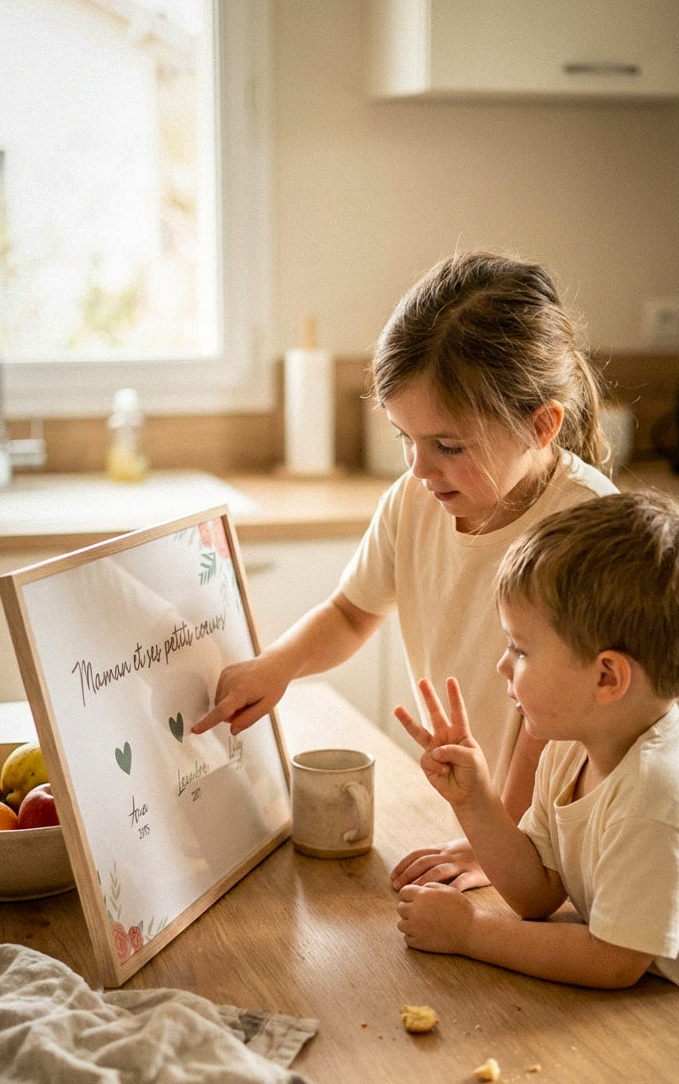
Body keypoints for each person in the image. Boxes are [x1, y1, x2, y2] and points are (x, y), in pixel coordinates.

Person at [192, 251, 617, 886]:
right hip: (481, 817)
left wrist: (498, 837)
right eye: (403, 438)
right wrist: (277, 666)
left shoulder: (589, 525)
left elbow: (558, 724)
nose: (418, 467)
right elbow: (350, 613)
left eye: (447, 445)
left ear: (541, 425)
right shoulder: (415, 500)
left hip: (557, 842)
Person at [394, 490, 679, 1034]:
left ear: (606, 677)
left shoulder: (661, 794)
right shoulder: (571, 746)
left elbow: (612, 961)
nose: (503, 665)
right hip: (646, 1010)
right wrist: (476, 800)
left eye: (521, 650)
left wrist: (471, 932)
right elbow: (538, 892)